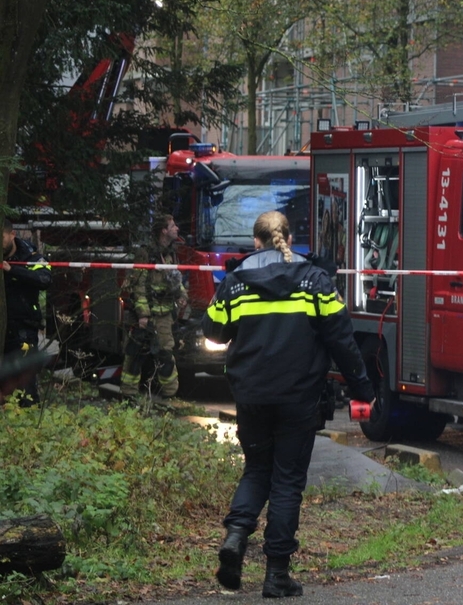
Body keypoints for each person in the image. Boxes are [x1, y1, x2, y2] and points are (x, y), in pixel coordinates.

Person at [202, 210, 375, 598]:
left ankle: (235, 537)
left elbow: (212, 329)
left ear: (256, 241)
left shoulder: (235, 283)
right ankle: (276, 574)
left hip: (251, 398)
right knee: (286, 482)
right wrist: (363, 390)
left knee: (256, 470)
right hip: (299, 400)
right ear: (289, 238)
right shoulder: (315, 282)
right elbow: (342, 342)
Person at [120, 214, 187, 398]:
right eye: (173, 226)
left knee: (166, 355)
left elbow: (176, 280)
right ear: (164, 231)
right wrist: (142, 314)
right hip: (146, 316)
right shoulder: (146, 254)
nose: (177, 229)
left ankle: (170, 396)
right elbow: (138, 286)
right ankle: (128, 395)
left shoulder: (171, 254)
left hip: (164, 316)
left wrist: (182, 295)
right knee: (135, 355)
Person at [2, 218, 52, 404]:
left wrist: (12, 270)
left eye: (2, 238)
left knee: (25, 389)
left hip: (22, 331)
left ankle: (30, 428)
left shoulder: (30, 257)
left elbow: (44, 279)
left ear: (12, 235)